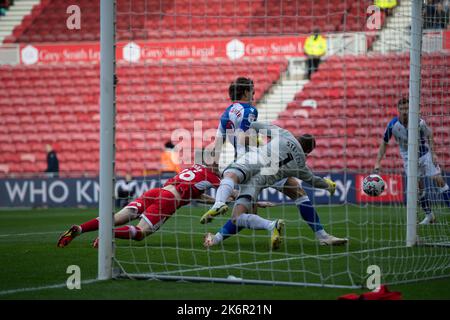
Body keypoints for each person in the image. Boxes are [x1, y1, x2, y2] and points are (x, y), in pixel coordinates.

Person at [205, 77, 347, 247]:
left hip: (247, 165)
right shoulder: (250, 110)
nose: (254, 94)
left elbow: (219, 141)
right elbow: (249, 132)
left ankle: (218, 236)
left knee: (245, 211)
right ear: (245, 92)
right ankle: (322, 236)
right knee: (296, 193)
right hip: (258, 162)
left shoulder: (226, 114)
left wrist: (214, 163)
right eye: (252, 91)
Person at [57, 163, 273, 248]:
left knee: (117, 216)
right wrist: (252, 199)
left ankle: (80, 228)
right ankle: (108, 236)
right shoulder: (214, 177)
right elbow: (231, 192)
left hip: (156, 192)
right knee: (141, 233)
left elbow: (197, 196)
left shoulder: (194, 168)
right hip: (169, 201)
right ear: (216, 167)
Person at [203, 122, 340, 249]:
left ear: (298, 138)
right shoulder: (301, 166)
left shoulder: (285, 134)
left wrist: (252, 137)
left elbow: (256, 124)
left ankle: (219, 203)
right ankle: (272, 226)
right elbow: (313, 180)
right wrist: (328, 186)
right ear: (307, 153)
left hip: (252, 162)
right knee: (240, 216)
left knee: (229, 175)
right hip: (259, 181)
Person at [374, 97, 450, 224]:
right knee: (417, 186)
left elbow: (429, 134)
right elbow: (384, 143)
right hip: (408, 158)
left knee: (438, 180)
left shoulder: (419, 122)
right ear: (398, 110)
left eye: (407, 108)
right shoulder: (393, 125)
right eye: (402, 108)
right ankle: (429, 215)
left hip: (424, 155)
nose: (404, 111)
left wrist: (434, 154)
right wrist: (377, 162)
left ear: (410, 109)